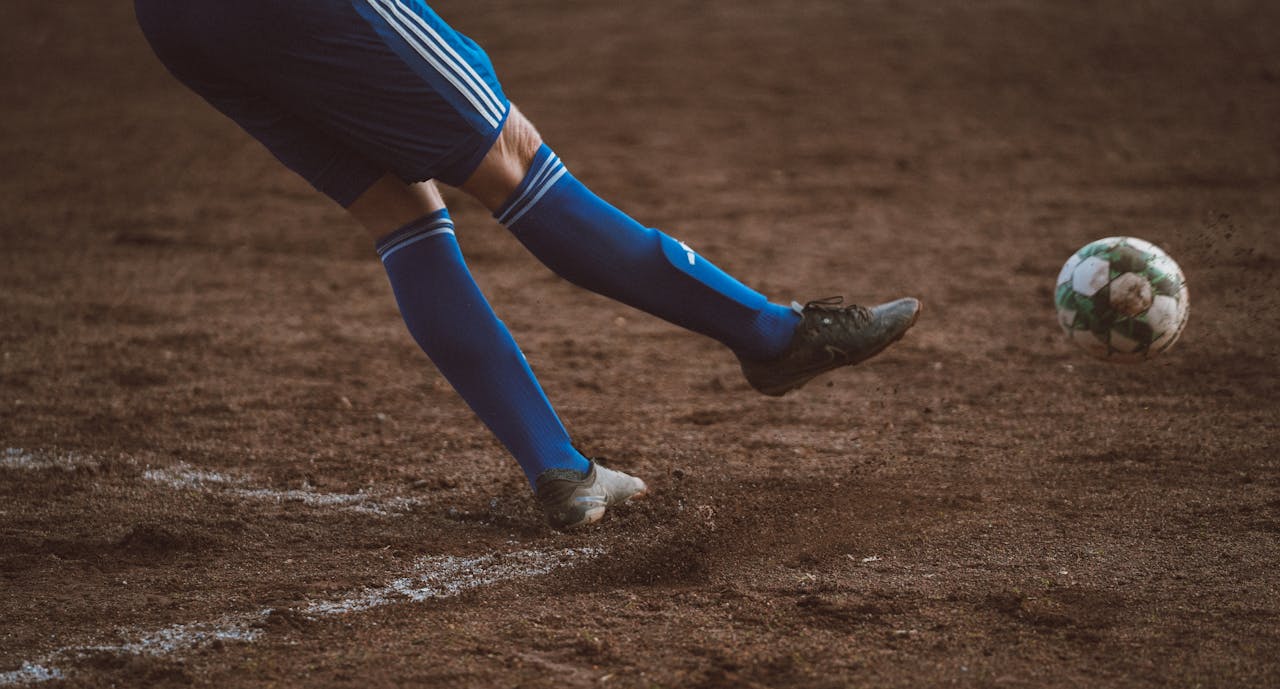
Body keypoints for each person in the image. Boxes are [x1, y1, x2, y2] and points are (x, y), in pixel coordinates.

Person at [133, 0, 921, 530]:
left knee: (400, 212)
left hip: (177, 25)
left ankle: (560, 471)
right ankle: (773, 336)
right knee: (515, 161)